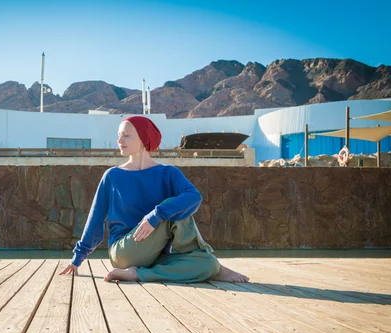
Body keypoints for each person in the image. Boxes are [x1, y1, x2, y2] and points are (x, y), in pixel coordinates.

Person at [59, 116, 249, 283]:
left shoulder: (168, 173)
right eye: (119, 135)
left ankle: (138, 274)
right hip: (124, 251)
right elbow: (95, 221)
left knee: (208, 264)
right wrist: (77, 259)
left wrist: (155, 215)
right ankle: (140, 269)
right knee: (173, 210)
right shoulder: (112, 176)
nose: (119, 140)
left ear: (143, 138)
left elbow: (194, 197)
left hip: (156, 255)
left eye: (126, 135)